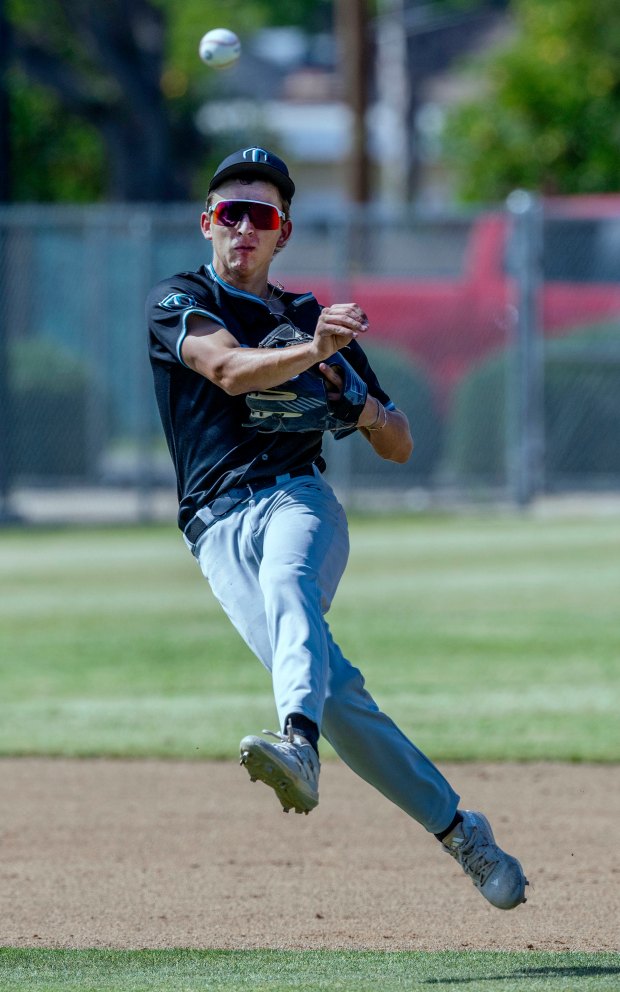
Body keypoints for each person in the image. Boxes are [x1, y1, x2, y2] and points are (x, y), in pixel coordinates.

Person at [146, 146, 528, 911]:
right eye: (232, 213)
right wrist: (309, 351)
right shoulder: (180, 301)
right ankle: (460, 830)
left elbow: (400, 442)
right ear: (207, 224)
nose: (245, 227)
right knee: (340, 693)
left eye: (263, 216)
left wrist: (358, 403)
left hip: (297, 503)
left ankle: (297, 745)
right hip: (217, 532)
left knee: (291, 589)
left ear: (283, 234)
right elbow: (226, 370)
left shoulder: (309, 319)